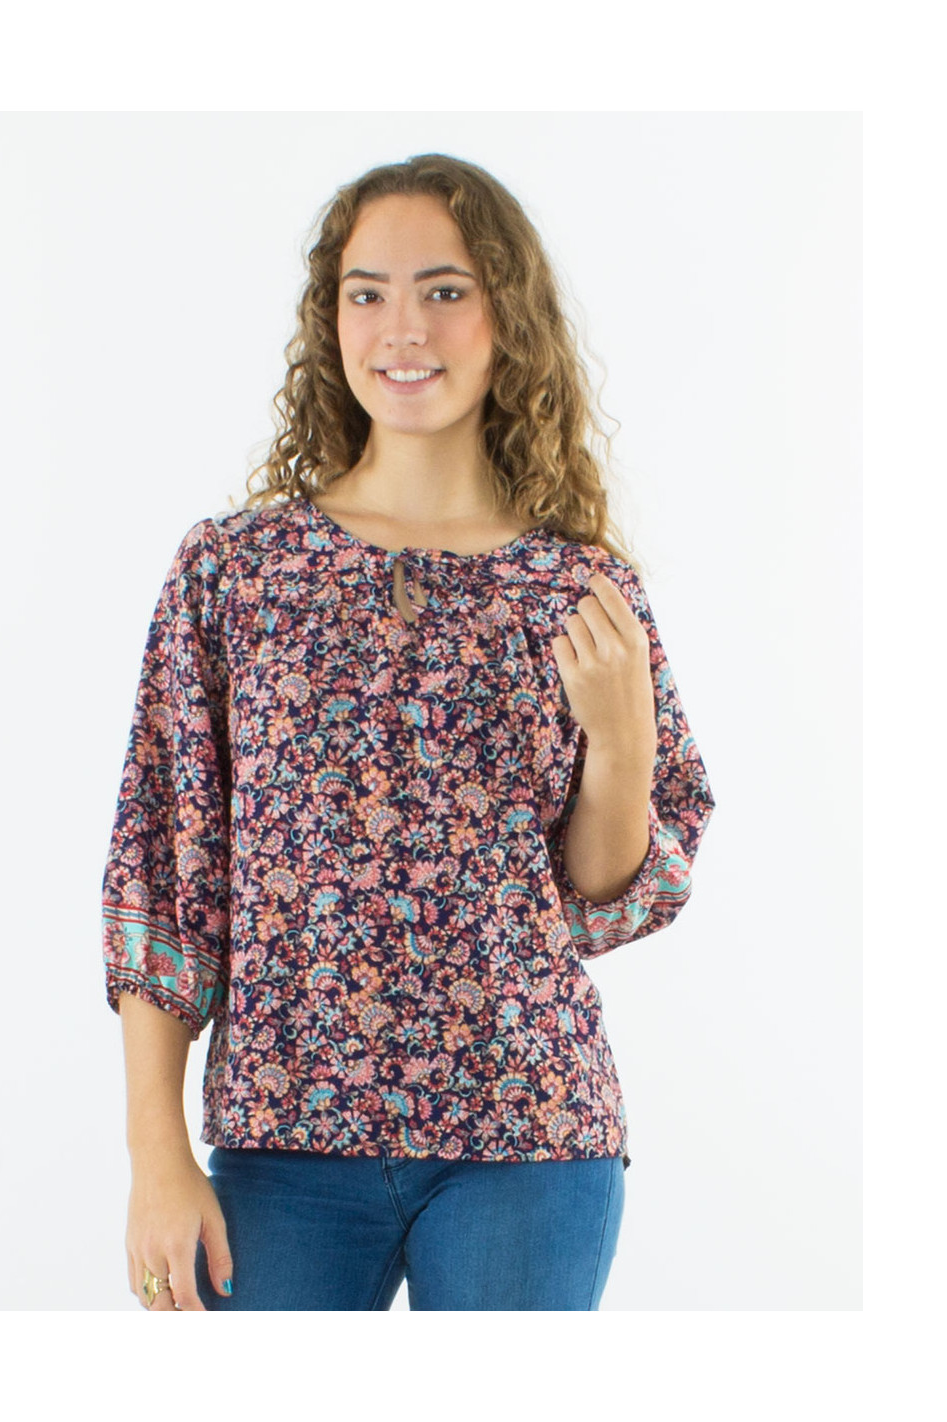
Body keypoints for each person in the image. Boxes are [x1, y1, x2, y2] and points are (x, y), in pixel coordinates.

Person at [101, 153, 716, 1311]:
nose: (402, 328)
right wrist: (155, 1155)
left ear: (506, 318)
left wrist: (622, 747)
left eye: (444, 289)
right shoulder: (235, 570)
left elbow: (598, 899)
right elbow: (163, 882)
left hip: (528, 1136)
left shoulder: (578, 590)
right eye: (366, 292)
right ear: (328, 320)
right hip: (279, 1142)